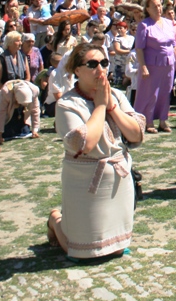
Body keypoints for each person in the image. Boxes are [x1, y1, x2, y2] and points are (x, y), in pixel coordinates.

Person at [47, 43, 145, 261]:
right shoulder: (67, 103)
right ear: (77, 70)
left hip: (118, 179)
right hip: (85, 182)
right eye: (92, 64)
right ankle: (56, 219)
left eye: (104, 63)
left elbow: (136, 134)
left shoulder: (117, 95)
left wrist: (111, 107)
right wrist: (100, 106)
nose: (100, 69)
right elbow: (85, 144)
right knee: (84, 252)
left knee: (117, 249)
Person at [135, 0, 176, 134]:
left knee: (166, 90)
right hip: (152, 64)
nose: (158, 9)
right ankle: (149, 121)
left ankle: (163, 120)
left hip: (169, 63)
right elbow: (139, 48)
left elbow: (174, 44)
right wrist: (143, 66)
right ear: (147, 8)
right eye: (154, 6)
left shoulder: (168, 22)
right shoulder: (144, 25)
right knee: (151, 93)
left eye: (159, 5)